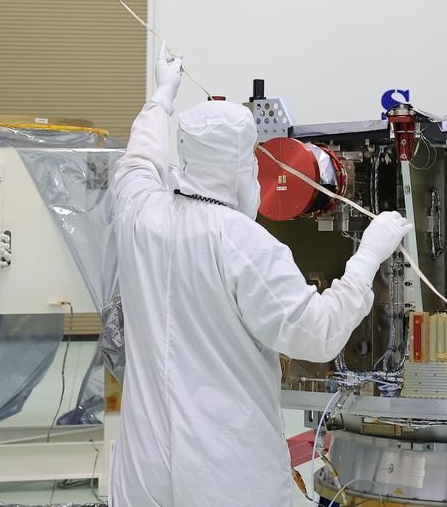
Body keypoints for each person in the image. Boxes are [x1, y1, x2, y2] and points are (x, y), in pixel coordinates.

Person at [110, 45, 412, 507]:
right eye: (253, 155)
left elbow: (139, 159)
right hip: (224, 473)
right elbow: (319, 334)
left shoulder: (139, 212)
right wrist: (368, 254)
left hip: (143, 473)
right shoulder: (244, 244)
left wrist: (161, 97)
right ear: (240, 164)